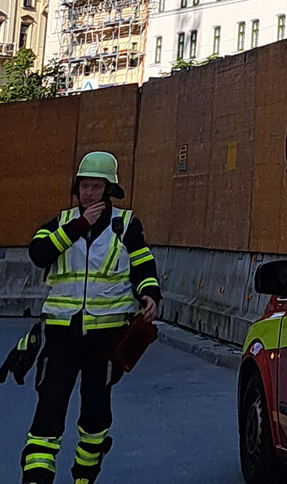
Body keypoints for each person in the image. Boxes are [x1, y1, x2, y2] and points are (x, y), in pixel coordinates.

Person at [20, 151, 161, 484]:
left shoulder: (126, 225)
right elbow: (38, 253)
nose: (88, 194)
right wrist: (77, 226)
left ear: (109, 190)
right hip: (62, 334)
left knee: (96, 411)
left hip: (106, 337)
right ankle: (37, 475)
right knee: (50, 403)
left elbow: (143, 265)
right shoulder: (62, 221)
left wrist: (149, 294)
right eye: (84, 186)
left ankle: (85, 475)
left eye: (96, 187)